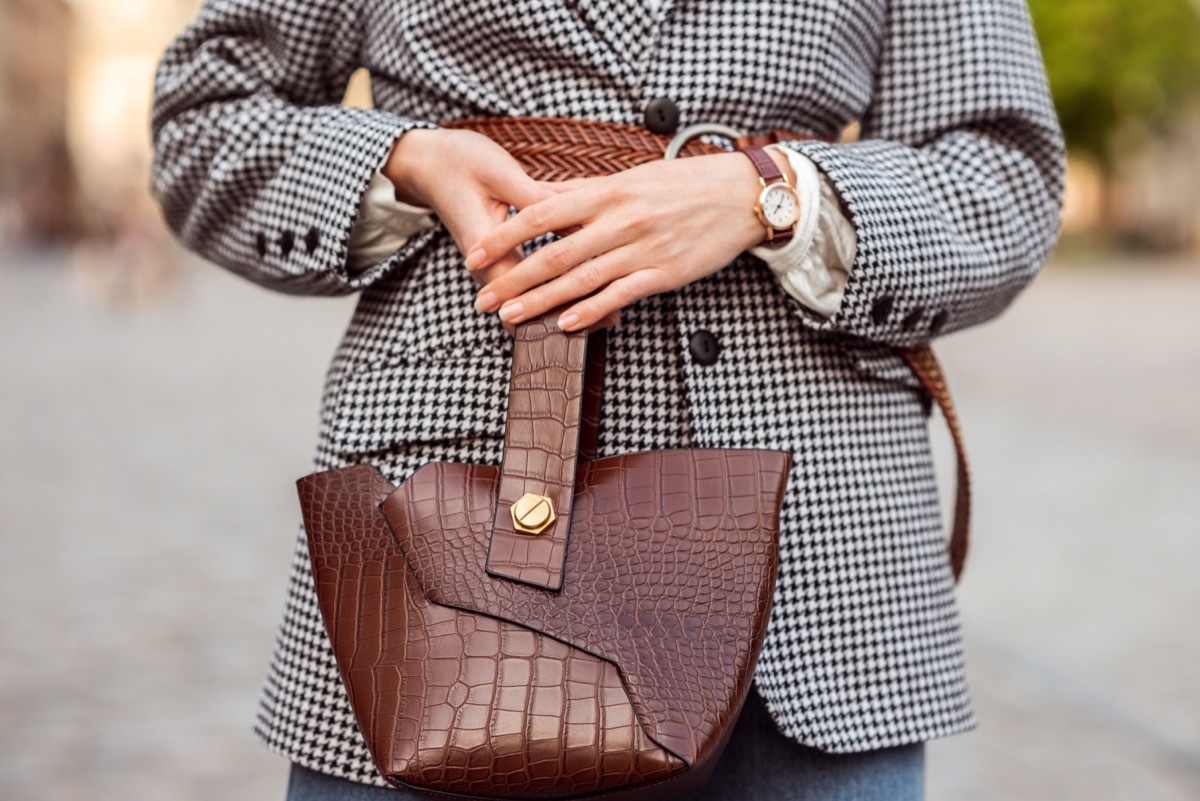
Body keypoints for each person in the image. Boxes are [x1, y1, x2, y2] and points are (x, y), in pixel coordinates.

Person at [150, 1, 1064, 798]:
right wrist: (403, 161)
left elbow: (1007, 179)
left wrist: (770, 196)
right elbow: (203, 121)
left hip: (817, 562)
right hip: (443, 544)